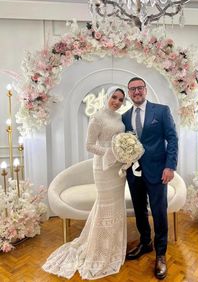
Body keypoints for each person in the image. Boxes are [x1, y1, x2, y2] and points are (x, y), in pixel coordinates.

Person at [42, 86, 127, 280]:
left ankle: (113, 247)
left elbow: (120, 141)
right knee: (105, 206)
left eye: (121, 99)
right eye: (114, 97)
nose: (116, 101)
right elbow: (88, 145)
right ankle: (99, 248)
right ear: (108, 97)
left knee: (116, 206)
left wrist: (122, 153)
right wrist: (108, 152)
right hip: (103, 168)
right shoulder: (97, 117)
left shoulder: (120, 119)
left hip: (118, 169)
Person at [122, 77, 178, 280]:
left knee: (159, 212)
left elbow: (172, 138)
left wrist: (170, 166)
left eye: (139, 88)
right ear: (129, 93)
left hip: (157, 171)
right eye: (132, 89)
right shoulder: (125, 117)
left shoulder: (161, 111)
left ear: (145, 90)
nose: (136, 92)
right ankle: (146, 243)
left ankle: (161, 254)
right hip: (134, 173)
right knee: (139, 210)